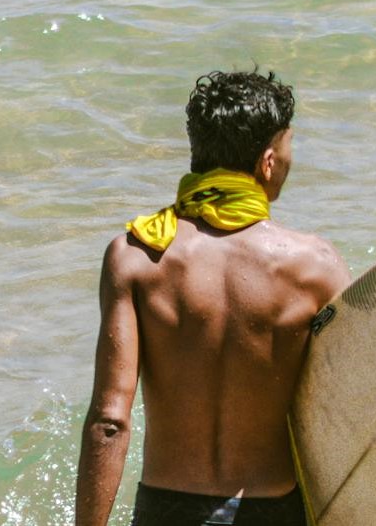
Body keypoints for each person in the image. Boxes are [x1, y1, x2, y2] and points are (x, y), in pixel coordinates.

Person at [75, 70, 350, 526]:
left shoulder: (136, 257)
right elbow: (354, 405)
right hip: (273, 510)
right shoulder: (314, 267)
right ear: (268, 161)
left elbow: (110, 421)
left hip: (165, 510)